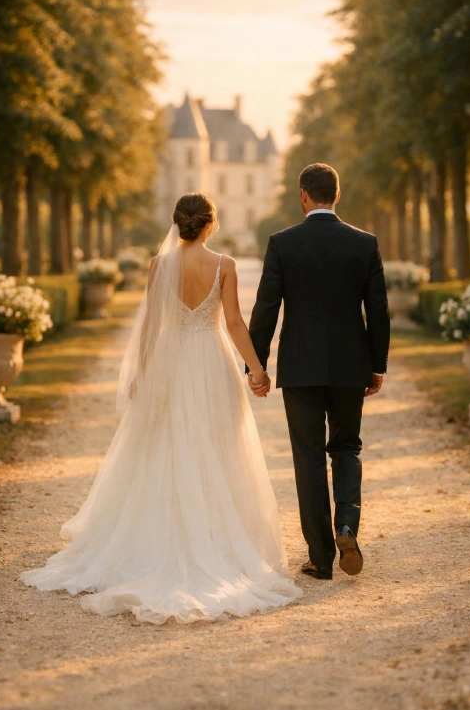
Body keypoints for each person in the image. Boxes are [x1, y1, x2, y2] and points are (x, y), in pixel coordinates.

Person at [21, 193, 302, 624]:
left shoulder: (160, 265)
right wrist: (257, 369)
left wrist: (143, 373)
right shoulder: (224, 265)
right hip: (211, 361)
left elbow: (151, 325)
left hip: (171, 360)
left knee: (167, 445)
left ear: (177, 224)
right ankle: (212, 536)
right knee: (216, 446)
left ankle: (162, 535)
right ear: (210, 223)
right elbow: (232, 323)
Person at [247, 163, 390, 580]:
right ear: (338, 195)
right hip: (351, 367)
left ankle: (320, 557)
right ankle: (346, 524)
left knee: (307, 458)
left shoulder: (282, 243)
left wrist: (256, 365)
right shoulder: (364, 244)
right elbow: (378, 311)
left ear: (303, 196)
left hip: (301, 368)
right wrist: (376, 365)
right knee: (346, 448)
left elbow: (266, 308)